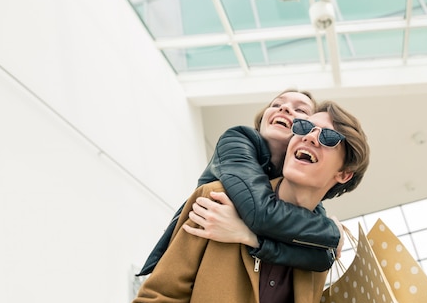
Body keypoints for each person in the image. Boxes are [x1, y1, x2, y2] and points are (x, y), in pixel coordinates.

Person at [0, 100, 370, 303]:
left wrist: (253, 240)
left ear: (344, 175)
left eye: (329, 138)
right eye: (304, 128)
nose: (308, 138)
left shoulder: (321, 247)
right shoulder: (213, 204)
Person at [138, 88, 342, 274]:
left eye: (300, 110)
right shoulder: (238, 140)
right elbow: (261, 212)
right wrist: (333, 232)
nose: (285, 108)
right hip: (183, 265)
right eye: (276, 105)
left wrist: (251, 238)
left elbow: (324, 257)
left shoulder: (298, 187)